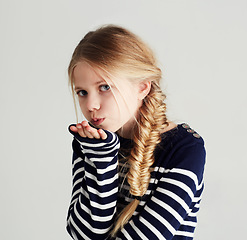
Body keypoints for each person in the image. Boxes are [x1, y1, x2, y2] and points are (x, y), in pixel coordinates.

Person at [66, 25, 206, 240]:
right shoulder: (91, 143)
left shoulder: (185, 149)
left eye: (104, 87)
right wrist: (101, 159)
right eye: (82, 92)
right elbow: (84, 233)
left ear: (142, 87)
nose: (91, 105)